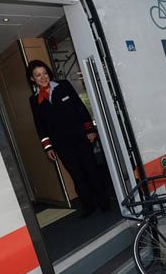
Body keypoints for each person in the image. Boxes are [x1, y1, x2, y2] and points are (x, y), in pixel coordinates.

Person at [27, 60, 108, 218]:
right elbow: (40, 126)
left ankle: (104, 203)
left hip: (80, 138)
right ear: (32, 79)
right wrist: (48, 147)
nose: (43, 77)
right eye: (38, 75)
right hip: (61, 145)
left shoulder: (63, 86)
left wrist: (89, 130)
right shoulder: (34, 100)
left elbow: (81, 108)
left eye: (44, 73)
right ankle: (88, 206)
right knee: (77, 175)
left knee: (91, 170)